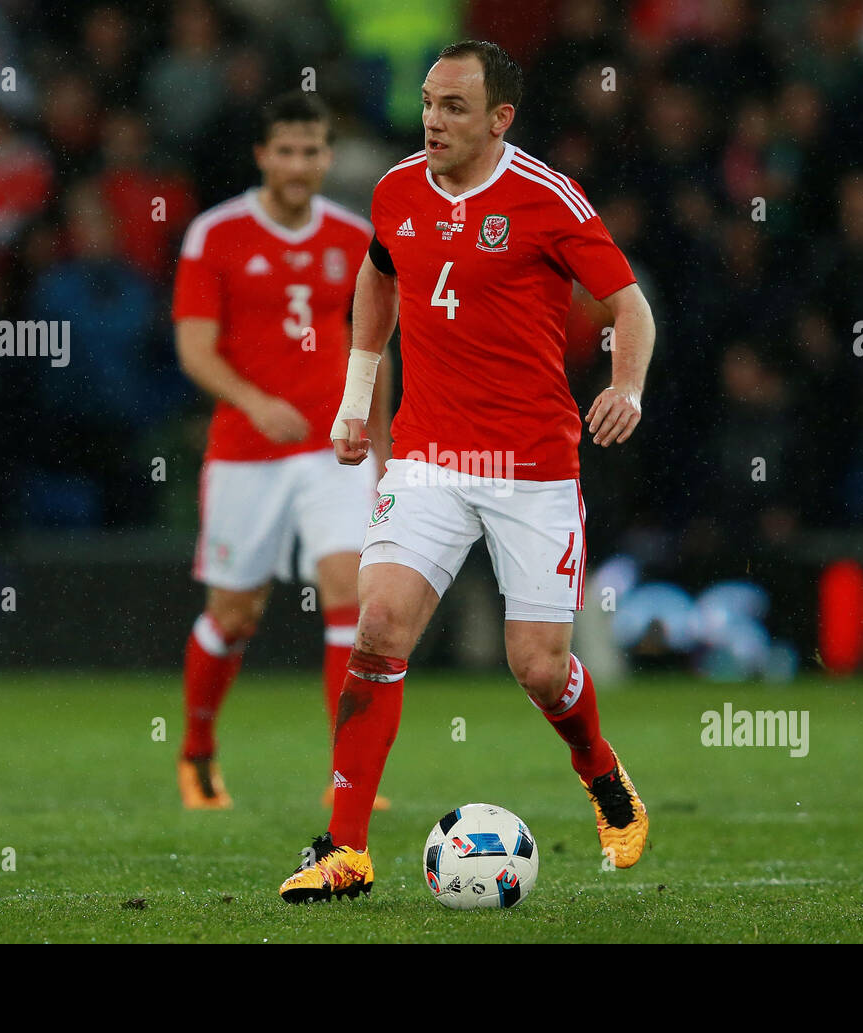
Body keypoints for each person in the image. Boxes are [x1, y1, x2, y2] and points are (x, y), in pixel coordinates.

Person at [280, 40, 656, 902]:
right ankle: (345, 849)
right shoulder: (396, 189)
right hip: (427, 457)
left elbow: (628, 305)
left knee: (536, 665)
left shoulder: (545, 197)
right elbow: (378, 281)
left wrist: (626, 386)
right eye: (427, 102)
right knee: (377, 627)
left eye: (454, 107)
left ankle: (600, 771)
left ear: (500, 118)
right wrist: (355, 397)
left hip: (530, 464)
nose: (433, 120)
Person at [172, 91, 390, 810]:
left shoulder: (356, 236)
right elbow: (194, 347)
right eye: (286, 151)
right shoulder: (216, 233)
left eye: (312, 151)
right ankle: (198, 748)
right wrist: (253, 400)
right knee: (235, 613)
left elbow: (372, 347)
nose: (299, 164)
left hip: (335, 450)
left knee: (350, 599)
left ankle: (346, 776)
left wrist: (381, 446)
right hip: (244, 450)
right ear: (263, 156)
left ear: (328, 157)